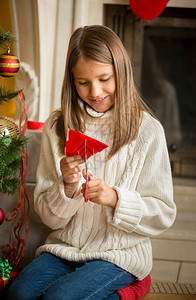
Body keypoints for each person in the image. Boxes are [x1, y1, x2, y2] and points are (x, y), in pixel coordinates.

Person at [7, 25, 176, 300]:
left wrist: (115, 199)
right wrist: (67, 187)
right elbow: (49, 218)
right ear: (71, 81)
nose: (95, 91)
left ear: (121, 72)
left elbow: (163, 214)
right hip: (65, 247)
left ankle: (132, 284)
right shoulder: (58, 125)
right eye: (83, 82)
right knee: (18, 294)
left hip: (119, 254)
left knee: (59, 298)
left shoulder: (148, 130)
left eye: (104, 79)